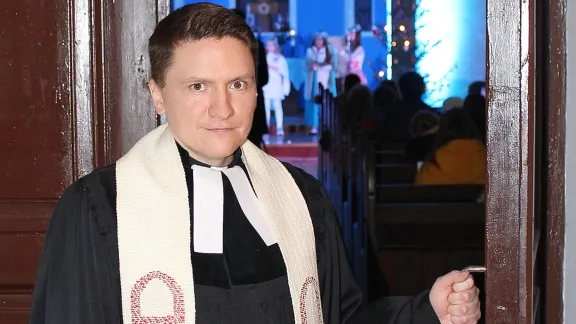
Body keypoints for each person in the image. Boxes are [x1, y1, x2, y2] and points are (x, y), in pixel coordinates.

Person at [29, 3, 481, 324]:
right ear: (157, 95)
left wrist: (426, 310)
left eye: (238, 84)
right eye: (197, 86)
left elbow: (342, 315)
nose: (222, 108)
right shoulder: (98, 210)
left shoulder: (302, 197)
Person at [232, 8, 269, 146]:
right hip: (254, 100)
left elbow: (264, 77)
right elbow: (264, 78)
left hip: (242, 104)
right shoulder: (257, 45)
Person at [305, 31, 337, 135]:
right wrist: (312, 66)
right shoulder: (310, 51)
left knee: (325, 104)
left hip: (325, 81)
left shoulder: (328, 51)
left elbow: (331, 66)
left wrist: (321, 67)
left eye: (321, 39)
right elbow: (307, 65)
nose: (319, 41)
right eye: (317, 39)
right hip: (315, 82)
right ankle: (315, 126)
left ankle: (326, 125)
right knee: (315, 104)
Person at [262, 37, 290, 136]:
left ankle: (279, 127)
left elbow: (284, 71)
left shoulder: (280, 58)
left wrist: (274, 67)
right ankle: (265, 127)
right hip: (267, 85)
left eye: (272, 45)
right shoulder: (264, 57)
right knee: (266, 107)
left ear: (275, 46)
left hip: (276, 85)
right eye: (268, 45)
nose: (269, 47)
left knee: (278, 106)